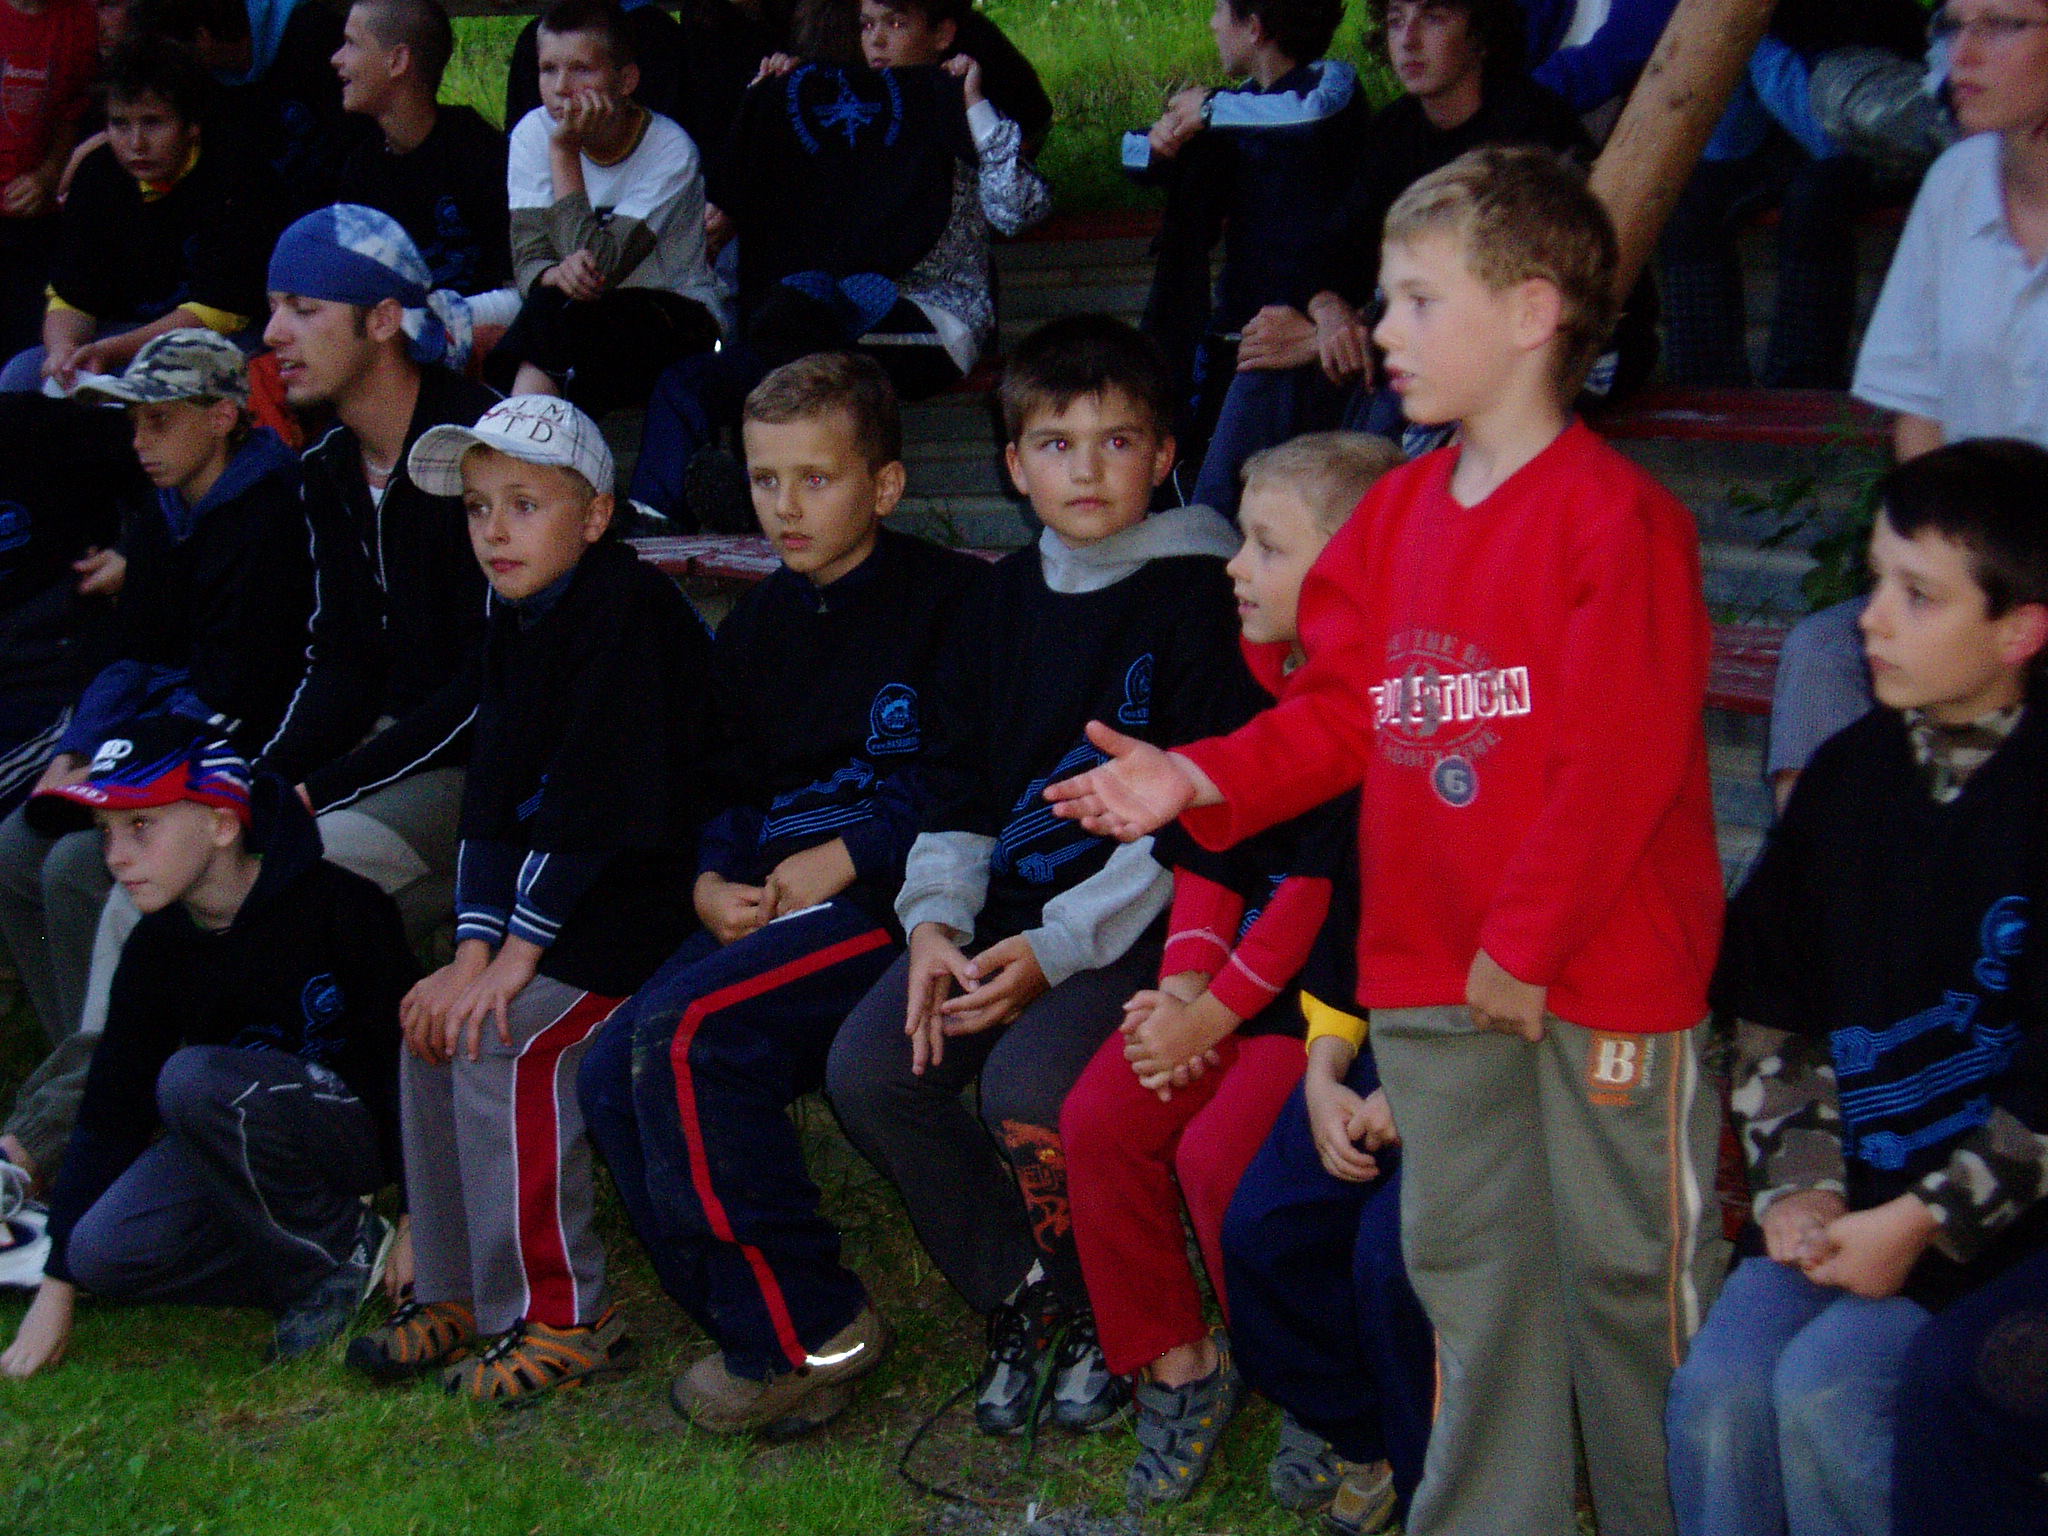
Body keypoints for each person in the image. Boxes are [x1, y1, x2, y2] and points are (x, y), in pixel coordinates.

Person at [1044, 147, 1729, 1536]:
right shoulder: (1400, 517)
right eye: (1385, 299)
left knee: (1628, 1287)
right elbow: (1338, 715)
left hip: (1602, 987)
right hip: (1430, 989)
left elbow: (1619, 767)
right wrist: (1196, 776)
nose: (1382, 330)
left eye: (1417, 301)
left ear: (1530, 313)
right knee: (1468, 1291)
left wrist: (1522, 949)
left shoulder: (1620, 524)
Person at [825, 316, 1258, 1440]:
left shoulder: (1201, 596)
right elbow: (955, 784)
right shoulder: (992, 601)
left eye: (1118, 442)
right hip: (1001, 913)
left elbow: (1200, 815)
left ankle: (1116, 1310)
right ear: (1015, 465)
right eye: (1057, 444)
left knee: (1030, 1084)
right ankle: (1030, 1288)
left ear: (1164, 455)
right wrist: (933, 924)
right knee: (872, 1067)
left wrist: (1058, 951)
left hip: (1144, 923)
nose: (1087, 469)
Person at [578, 353, 987, 1437]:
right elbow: (726, 783)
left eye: (816, 478)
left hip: (889, 906)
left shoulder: (955, 603)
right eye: (765, 480)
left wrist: (852, 853)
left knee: (687, 1032)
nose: (785, 507)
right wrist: (710, 879)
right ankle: (744, 1313)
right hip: (766, 902)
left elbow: (973, 776)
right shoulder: (755, 629)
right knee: (607, 1066)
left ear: (884, 486)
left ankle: (807, 1331)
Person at [1667, 439, 2048, 1536]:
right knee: (1719, 1396)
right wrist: (1798, 1184)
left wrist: (1921, 1223)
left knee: (1829, 1396)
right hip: (1850, 1200)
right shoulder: (1848, 778)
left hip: (2002, 1236)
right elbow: (1771, 1005)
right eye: (1875, 580)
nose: (1868, 620)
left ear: (2018, 631)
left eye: (1916, 596)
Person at [1059, 431, 1407, 1512]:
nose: (1234, 568)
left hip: (1317, 1007)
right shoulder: (1248, 668)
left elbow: (1314, 894)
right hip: (1223, 990)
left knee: (1221, 1160)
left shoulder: (1369, 705)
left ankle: (1310, 1381)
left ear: (1348, 570)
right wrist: (1179, 987)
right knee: (1098, 1120)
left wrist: (1210, 1019)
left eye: (1266, 547)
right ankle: (1179, 1364)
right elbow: (1207, 860)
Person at [342, 394, 711, 1404]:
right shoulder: (517, 612)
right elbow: (493, 796)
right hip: (572, 900)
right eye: (476, 508)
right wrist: (469, 953)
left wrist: (511, 963)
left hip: (654, 906)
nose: (494, 532)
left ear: (594, 516)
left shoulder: (627, 612)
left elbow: (594, 807)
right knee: (431, 1024)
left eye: (523, 505)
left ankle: (561, 1314)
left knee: (505, 1037)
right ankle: (455, 1288)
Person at [0, 717, 412, 1380]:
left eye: (140, 825)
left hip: (353, 1130)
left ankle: (330, 1257)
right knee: (102, 1253)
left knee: (192, 1078)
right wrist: (58, 1284)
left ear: (222, 824)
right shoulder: (156, 946)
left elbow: (406, 1067)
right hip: (238, 1128)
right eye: (105, 831)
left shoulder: (343, 907)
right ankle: (338, 1249)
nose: (115, 856)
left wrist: (423, 1216)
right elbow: (109, 1115)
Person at [0, 329, 316, 1074]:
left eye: (160, 420)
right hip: (161, 736)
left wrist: (124, 775)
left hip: (240, 749)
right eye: (135, 422)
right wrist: (79, 750)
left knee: (74, 868)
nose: (140, 442)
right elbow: (128, 652)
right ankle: (81, 1070)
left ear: (222, 417)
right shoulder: (166, 507)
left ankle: (120, 1072)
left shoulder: (274, 514)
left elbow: (246, 694)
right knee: (14, 849)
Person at [1768, 0, 2048, 799]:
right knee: (1824, 657)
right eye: (1953, 26)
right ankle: (1822, 877)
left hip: (2020, 592)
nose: (1963, 53)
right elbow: (1917, 408)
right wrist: (1936, 572)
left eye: (2004, 26)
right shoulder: (1956, 184)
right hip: (1975, 569)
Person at [628, 8, 1048, 527]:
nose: (878, 40)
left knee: (796, 345)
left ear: (942, 33)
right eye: (867, 25)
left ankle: (756, 497)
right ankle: (649, 517)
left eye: (897, 24)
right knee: (688, 382)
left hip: (933, 320)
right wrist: (771, 96)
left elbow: (1016, 209)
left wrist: (975, 103)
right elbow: (737, 195)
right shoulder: (815, 100)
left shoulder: (953, 102)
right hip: (816, 321)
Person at [259, 203, 495, 937]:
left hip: (487, 765)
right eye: (273, 308)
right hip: (390, 748)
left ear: (385, 319)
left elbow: (489, 686)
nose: (272, 334)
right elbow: (343, 658)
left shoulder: (483, 451)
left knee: (270, 876)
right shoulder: (328, 464)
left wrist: (318, 791)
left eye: (303, 309)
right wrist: (263, 782)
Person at [1125, 0, 1366, 518]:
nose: (1212, 24)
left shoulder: (1330, 83)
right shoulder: (1233, 110)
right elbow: (1130, 155)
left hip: (1309, 340)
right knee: (1203, 484)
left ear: (1254, 27)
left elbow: (1310, 112)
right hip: (1233, 334)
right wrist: (1160, 142)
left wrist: (1211, 110)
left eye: (1219, 10)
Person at [1657, 0, 1927, 390]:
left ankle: (1802, 376)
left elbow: (1835, 133)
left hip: (1875, 136)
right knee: (1689, 197)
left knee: (1815, 195)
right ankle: (1703, 382)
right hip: (1782, 139)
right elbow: (1727, 144)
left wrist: (1768, 33)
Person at [0, 33, 282, 393]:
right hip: (116, 338)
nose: (136, 144)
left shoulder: (237, 175)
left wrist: (111, 352)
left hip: (211, 343)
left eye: (153, 123)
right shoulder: (98, 173)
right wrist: (63, 352)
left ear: (192, 125)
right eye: (120, 124)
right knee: (20, 377)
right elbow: (71, 295)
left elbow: (219, 311)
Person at [497, 0, 722, 418]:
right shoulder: (532, 132)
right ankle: (523, 426)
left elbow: (599, 272)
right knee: (550, 311)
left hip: (673, 314)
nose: (561, 87)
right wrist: (554, 274)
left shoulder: (669, 149)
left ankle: (516, 428)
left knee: (559, 315)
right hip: (568, 313)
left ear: (626, 80)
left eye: (581, 70)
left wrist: (565, 155)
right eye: (548, 69)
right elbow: (527, 257)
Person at [332, 0, 514, 300]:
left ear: (397, 61)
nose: (336, 59)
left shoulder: (481, 156)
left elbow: (515, 278)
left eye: (351, 43)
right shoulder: (362, 167)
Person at [0, 0, 98, 356]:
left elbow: (70, 111)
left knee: (24, 338)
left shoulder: (80, 18)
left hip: (35, 214)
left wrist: (48, 174)